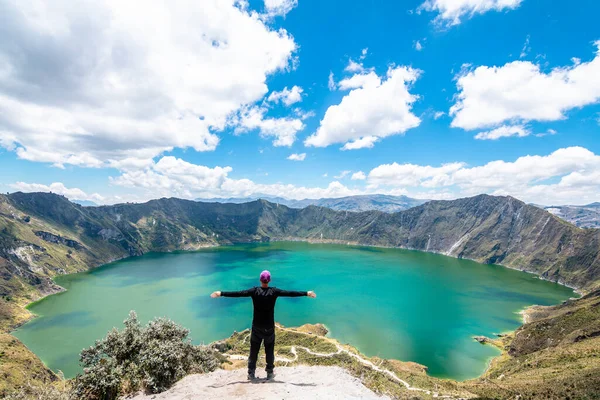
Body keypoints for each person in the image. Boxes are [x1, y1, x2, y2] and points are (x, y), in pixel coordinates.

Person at [211, 270, 316, 380]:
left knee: (253, 351)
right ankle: (269, 373)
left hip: (257, 327)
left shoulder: (254, 291)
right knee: (269, 351)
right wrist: (306, 293)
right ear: (269, 280)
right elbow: (289, 293)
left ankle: (251, 373)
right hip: (269, 328)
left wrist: (221, 293)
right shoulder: (274, 291)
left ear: (260, 280)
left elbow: (238, 294)